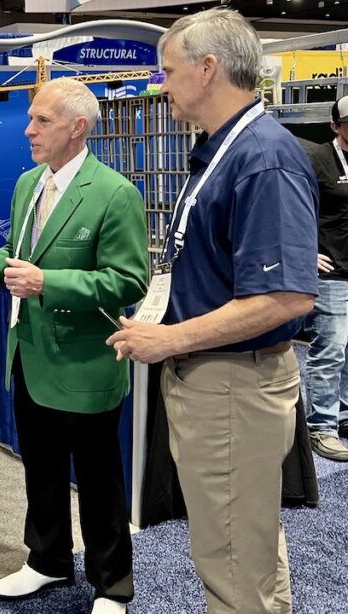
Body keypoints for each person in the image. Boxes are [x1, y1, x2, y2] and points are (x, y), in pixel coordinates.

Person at [106, 8, 318, 614]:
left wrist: (170, 341)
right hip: (220, 382)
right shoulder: (226, 149)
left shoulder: (262, 157)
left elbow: (286, 298)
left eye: (168, 72)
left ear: (208, 69)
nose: (160, 85)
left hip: (232, 386)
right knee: (245, 546)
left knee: (229, 561)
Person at [0, 78, 149, 614]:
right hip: (29, 356)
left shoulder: (115, 193)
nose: (28, 130)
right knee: (41, 469)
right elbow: (18, 252)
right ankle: (47, 560)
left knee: (100, 481)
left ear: (78, 128)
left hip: (84, 364)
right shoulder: (28, 184)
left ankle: (113, 585)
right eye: (31, 119)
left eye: (42, 121)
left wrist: (48, 284)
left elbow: (129, 282)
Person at [301, 95, 348, 461]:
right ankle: (321, 427)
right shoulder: (317, 160)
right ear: (335, 126)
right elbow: (293, 209)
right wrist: (304, 251)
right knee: (329, 351)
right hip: (332, 274)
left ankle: (342, 417)